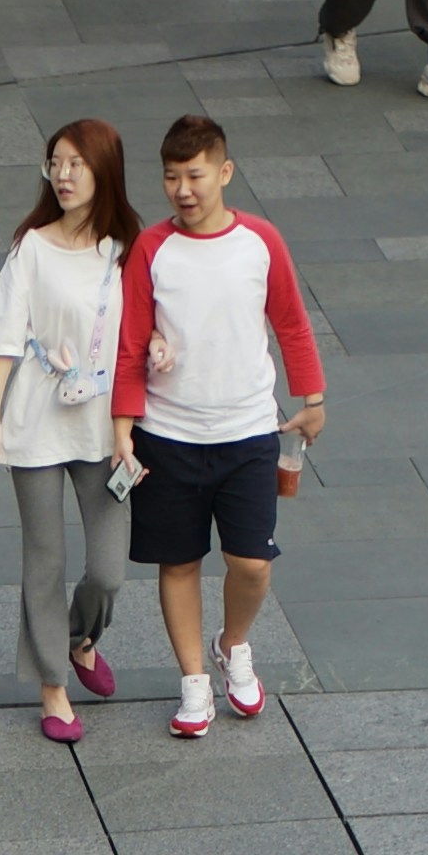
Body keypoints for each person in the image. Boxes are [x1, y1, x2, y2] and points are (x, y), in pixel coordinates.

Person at [111, 118, 325, 745]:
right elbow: (129, 346)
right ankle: (195, 682)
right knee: (177, 563)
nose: (182, 189)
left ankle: (233, 645)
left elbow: (291, 323)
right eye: (171, 177)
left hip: (248, 433)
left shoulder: (260, 241)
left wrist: (313, 399)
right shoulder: (152, 249)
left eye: (195, 175)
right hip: (167, 436)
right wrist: (123, 430)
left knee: (251, 563)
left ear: (224, 173)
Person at [0, 124, 138, 743]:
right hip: (39, 419)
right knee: (44, 559)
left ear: (104, 172)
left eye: (76, 164)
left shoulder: (127, 248)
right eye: (55, 164)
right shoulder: (31, 248)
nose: (63, 175)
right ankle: (52, 684)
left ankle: (79, 639)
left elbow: (142, 327)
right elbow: (2, 338)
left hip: (106, 427)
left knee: (108, 570)